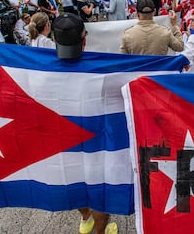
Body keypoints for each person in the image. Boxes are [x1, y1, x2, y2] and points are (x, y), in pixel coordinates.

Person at [51, 13, 117, 234]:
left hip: (63, 141)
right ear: (84, 38)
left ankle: (85, 217)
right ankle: (98, 230)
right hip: (95, 143)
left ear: (54, 39)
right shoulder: (100, 69)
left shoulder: (39, 70)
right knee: (99, 191)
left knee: (74, 182)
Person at [120, 0, 184, 55]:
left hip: (138, 67)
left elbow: (122, 59)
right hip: (159, 67)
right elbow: (180, 47)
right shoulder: (165, 32)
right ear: (154, 11)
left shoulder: (127, 34)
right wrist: (175, 26)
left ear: (137, 13)